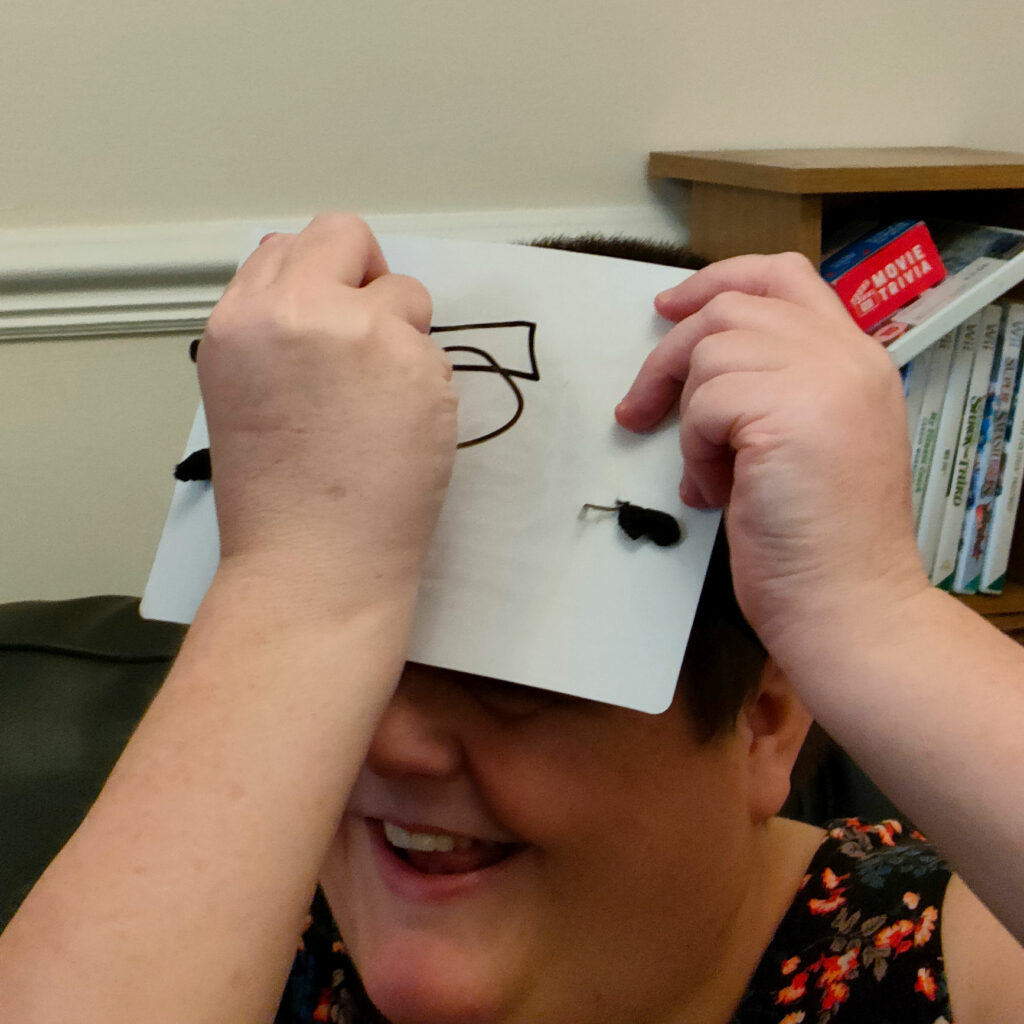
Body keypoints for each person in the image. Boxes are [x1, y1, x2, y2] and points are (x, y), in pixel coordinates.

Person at [0, 214, 1022, 1024]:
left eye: (514, 677)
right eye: (354, 669)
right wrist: (293, 584)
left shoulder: (932, 957)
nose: (393, 742)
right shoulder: (234, 906)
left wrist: (872, 611)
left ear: (764, 720)